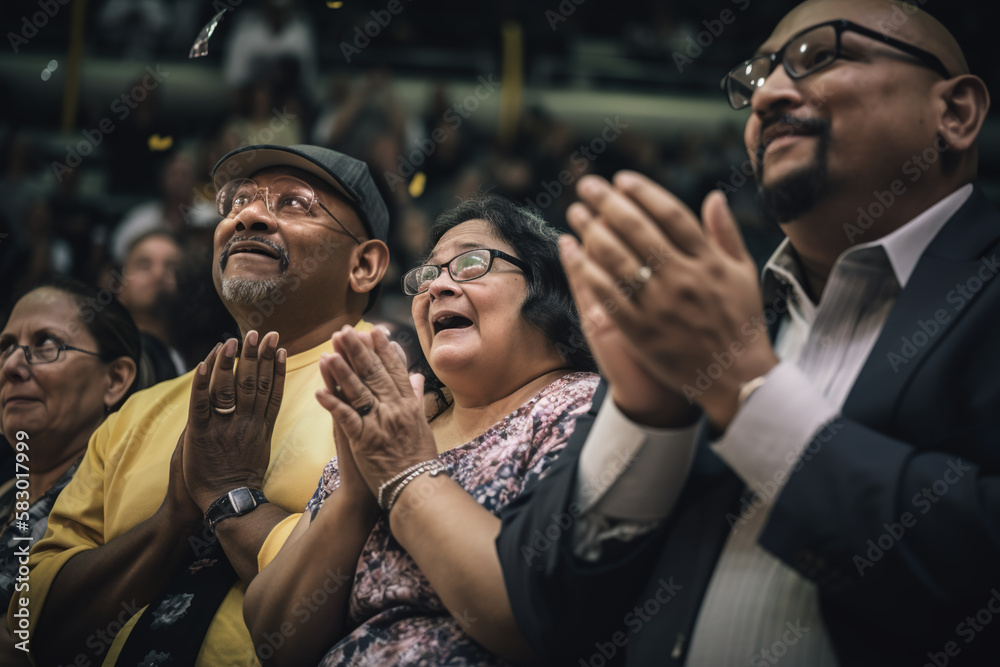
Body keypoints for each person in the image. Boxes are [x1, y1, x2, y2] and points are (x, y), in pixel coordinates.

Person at [496, 1, 999, 665]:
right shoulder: (700, 322)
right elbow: (541, 608)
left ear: (955, 113)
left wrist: (747, 392)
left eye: (819, 56)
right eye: (756, 78)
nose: (768, 96)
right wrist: (645, 415)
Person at [15, 144, 391, 667]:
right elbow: (25, 631)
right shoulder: (136, 414)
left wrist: (229, 498)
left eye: (295, 203)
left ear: (364, 264)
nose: (249, 216)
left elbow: (378, 593)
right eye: (237, 203)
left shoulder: (402, 394)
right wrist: (173, 517)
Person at [243, 194, 598, 665]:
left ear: (548, 287)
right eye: (429, 274)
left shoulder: (584, 405)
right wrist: (354, 496)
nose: (438, 288)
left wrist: (405, 473)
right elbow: (274, 640)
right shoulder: (396, 424)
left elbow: (537, 617)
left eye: (472, 263)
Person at [0, 279, 141, 664]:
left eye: (47, 345)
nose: (12, 365)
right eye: (5, 346)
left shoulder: (122, 510)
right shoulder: (6, 497)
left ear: (114, 380)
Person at [116, 230, 187, 383]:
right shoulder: (110, 358)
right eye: (144, 265)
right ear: (120, 286)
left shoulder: (207, 355)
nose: (158, 273)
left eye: (172, 267)